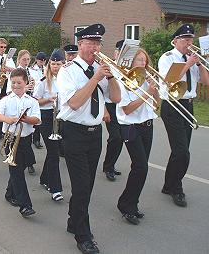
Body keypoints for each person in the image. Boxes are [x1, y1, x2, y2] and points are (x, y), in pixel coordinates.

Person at [57, 24, 121, 254]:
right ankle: (83, 236)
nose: (94, 47)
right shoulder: (68, 71)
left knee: (88, 185)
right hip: (74, 132)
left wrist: (111, 78)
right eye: (90, 43)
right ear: (80, 44)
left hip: (95, 134)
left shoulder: (101, 69)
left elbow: (115, 97)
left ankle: (74, 220)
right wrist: (95, 77)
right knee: (82, 186)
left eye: (97, 44)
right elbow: (74, 102)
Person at [158, 24, 209, 207]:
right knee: (182, 153)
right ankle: (176, 188)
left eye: (191, 40)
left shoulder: (192, 59)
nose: (189, 43)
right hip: (173, 105)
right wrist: (187, 64)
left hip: (188, 105)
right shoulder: (168, 58)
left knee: (180, 150)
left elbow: (205, 81)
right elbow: (169, 80)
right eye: (186, 40)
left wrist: (200, 64)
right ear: (176, 41)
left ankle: (168, 184)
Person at [116, 49, 159, 225]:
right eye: (139, 60)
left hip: (147, 125)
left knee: (140, 168)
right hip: (131, 127)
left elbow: (156, 105)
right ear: (131, 62)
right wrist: (147, 92)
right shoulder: (123, 81)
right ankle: (126, 205)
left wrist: (154, 89)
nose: (143, 64)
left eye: (144, 60)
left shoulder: (147, 80)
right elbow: (127, 109)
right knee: (141, 167)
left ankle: (130, 202)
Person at [0, 68, 41, 217]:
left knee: (21, 167)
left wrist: (26, 119)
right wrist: (8, 119)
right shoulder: (6, 100)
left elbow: (37, 120)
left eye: (19, 83)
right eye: (13, 83)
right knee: (17, 172)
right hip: (11, 139)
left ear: (26, 83)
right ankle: (25, 205)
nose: (16, 86)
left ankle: (9, 193)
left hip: (25, 139)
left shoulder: (32, 101)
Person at [33, 49, 64, 202]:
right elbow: (35, 101)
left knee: (54, 151)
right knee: (53, 152)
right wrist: (49, 99)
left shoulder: (66, 80)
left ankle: (45, 178)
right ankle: (55, 188)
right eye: (53, 63)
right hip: (46, 117)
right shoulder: (43, 81)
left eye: (58, 64)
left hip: (61, 117)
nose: (55, 66)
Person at [102, 40, 125, 181]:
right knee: (116, 137)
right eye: (120, 52)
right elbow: (101, 91)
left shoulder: (130, 69)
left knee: (121, 138)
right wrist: (104, 110)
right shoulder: (108, 67)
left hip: (124, 106)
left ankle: (110, 164)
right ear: (116, 53)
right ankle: (108, 167)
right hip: (110, 105)